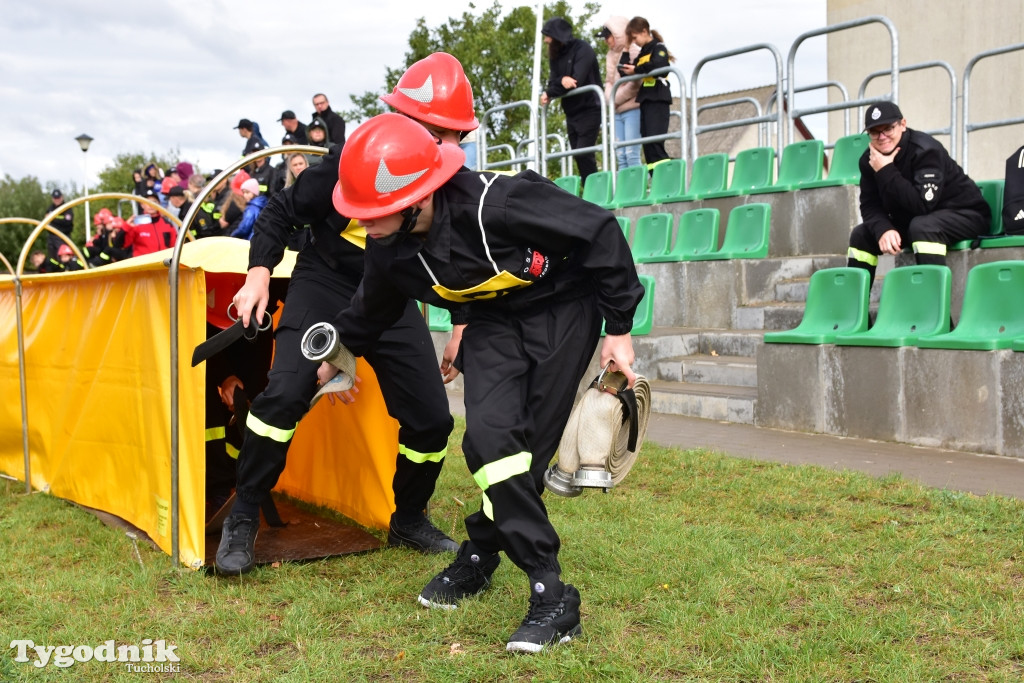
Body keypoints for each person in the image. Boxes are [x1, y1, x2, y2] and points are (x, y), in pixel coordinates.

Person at [321, 112, 643, 654]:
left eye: (373, 214)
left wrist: (620, 329)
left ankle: (477, 553)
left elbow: (599, 230)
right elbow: (371, 304)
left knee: (529, 453)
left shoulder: (500, 202)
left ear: (416, 199)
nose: (363, 225)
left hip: (563, 309)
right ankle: (553, 592)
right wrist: (338, 352)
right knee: (492, 445)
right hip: (493, 323)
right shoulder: (386, 246)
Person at [212, 53, 484, 577]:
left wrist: (463, 323)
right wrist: (259, 274)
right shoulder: (350, 161)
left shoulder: (449, 180)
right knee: (286, 393)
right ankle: (245, 513)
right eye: (444, 133)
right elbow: (280, 212)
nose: (453, 147)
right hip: (325, 283)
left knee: (431, 421)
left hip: (389, 295)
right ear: (409, 123)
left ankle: (408, 518)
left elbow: (460, 254)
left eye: (456, 136)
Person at [847, 101, 990, 281]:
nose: (882, 137)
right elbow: (869, 205)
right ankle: (857, 307)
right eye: (875, 132)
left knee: (923, 226)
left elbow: (922, 205)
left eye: (888, 129)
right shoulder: (869, 160)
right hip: (917, 220)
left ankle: (934, 307)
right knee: (861, 235)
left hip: (964, 214)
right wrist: (884, 229)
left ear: (903, 125)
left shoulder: (926, 150)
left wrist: (886, 170)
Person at [540, 17, 602, 183]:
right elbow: (552, 82)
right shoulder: (556, 54)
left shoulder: (583, 49)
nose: (546, 40)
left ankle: (595, 189)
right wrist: (561, 81)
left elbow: (576, 81)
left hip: (590, 108)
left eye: (548, 36)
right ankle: (590, 189)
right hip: (572, 112)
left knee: (583, 152)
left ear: (557, 36)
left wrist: (556, 87)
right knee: (577, 154)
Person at [620, 16, 674, 171]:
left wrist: (637, 70)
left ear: (644, 31)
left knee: (655, 142)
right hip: (646, 99)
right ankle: (655, 178)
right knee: (648, 145)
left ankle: (668, 175)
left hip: (658, 97)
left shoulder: (658, 47)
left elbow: (660, 65)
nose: (635, 42)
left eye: (635, 37)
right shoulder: (643, 51)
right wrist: (625, 49)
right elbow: (625, 71)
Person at [598, 17, 641, 170]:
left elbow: (636, 82)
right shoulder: (609, 55)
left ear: (617, 34)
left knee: (632, 153)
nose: (606, 41)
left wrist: (615, 98)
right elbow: (609, 81)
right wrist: (610, 99)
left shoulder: (634, 50)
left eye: (607, 37)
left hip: (632, 109)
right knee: (620, 156)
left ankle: (637, 191)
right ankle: (626, 193)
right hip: (616, 111)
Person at [44, 189, 74, 264]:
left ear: (62, 197)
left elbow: (67, 222)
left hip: (63, 236)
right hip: (52, 236)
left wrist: (52, 219)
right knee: (53, 258)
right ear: (52, 198)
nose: (57, 200)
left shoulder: (66, 208)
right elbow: (46, 221)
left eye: (58, 198)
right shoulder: (50, 208)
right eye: (55, 198)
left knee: (63, 257)